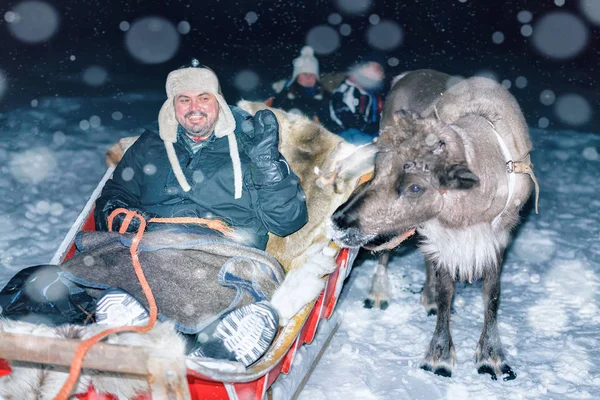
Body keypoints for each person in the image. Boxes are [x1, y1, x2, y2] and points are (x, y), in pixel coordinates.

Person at [0, 60, 309, 367]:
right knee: (43, 284)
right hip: (148, 244)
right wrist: (118, 213)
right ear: (172, 106)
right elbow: (116, 194)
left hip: (221, 248)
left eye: (204, 98)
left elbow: (287, 221)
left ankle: (213, 342)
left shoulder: (251, 147)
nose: (194, 107)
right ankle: (130, 317)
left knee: (205, 289)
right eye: (183, 99)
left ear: (218, 102)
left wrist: (268, 166)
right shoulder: (149, 146)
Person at [271, 46, 335, 131]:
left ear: (317, 78)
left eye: (312, 75)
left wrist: (323, 129)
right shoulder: (284, 97)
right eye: (304, 74)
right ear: (297, 77)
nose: (308, 78)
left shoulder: (327, 97)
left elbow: (333, 124)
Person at [329, 54, 386, 145]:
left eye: (380, 69)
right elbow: (345, 120)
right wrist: (364, 128)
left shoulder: (374, 96)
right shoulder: (347, 90)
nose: (377, 72)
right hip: (345, 139)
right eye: (373, 68)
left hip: (367, 137)